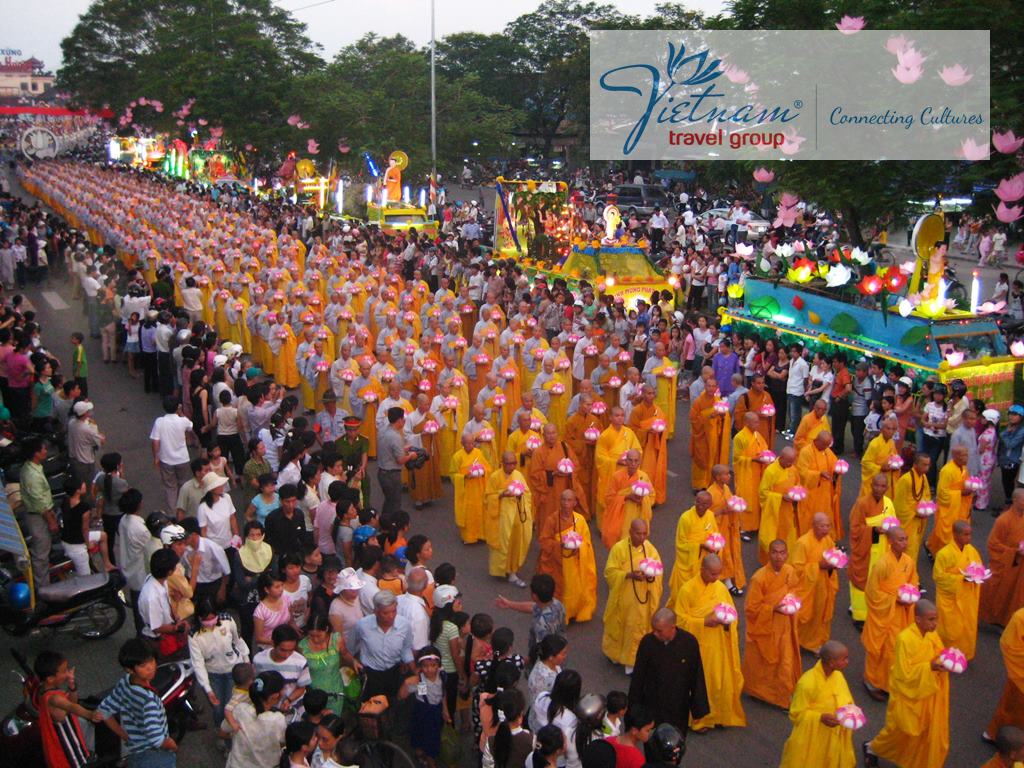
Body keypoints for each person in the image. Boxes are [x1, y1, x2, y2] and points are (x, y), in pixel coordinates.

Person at [863, 600, 949, 768]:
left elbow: (939, 654)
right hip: (908, 695)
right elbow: (903, 674)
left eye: (936, 619)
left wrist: (947, 660)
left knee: (924, 734)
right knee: (899, 732)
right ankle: (872, 748)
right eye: (931, 619)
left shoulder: (932, 635)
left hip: (928, 692)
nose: (934, 624)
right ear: (917, 619)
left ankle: (911, 762)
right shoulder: (905, 639)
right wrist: (929, 667)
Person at [672, 554, 745, 730]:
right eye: (712, 574)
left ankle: (719, 715)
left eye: (718, 574)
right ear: (702, 570)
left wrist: (728, 622)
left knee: (719, 681)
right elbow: (680, 621)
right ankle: (699, 720)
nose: (716, 578)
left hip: (717, 643)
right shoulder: (687, 590)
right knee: (699, 683)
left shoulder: (720, 588)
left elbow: (732, 612)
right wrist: (703, 622)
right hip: (696, 645)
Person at [628, 608, 709, 736]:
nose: (655, 633)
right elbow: (638, 677)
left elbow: (696, 676)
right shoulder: (648, 643)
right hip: (652, 705)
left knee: (675, 745)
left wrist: (698, 710)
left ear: (672, 626)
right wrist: (633, 709)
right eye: (653, 629)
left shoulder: (689, 643)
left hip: (678, 707)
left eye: (659, 631)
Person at [98, 639, 177, 768]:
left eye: (151, 661)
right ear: (129, 669)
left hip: (135, 753)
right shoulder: (148, 700)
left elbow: (104, 711)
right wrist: (172, 746)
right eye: (142, 666)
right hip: (155, 757)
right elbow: (156, 739)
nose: (150, 668)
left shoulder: (126, 682)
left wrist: (126, 736)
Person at [741, 539, 801, 708]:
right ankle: (758, 691)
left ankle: (781, 696)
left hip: (784, 625)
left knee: (784, 662)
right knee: (763, 662)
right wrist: (773, 608)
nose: (778, 556)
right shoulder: (759, 578)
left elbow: (795, 589)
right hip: (765, 626)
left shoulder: (789, 571)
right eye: (774, 552)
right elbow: (751, 609)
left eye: (782, 552)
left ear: (787, 554)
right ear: (768, 554)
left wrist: (790, 600)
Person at [778, 640, 856, 768]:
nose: (847, 662)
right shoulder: (807, 683)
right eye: (844, 659)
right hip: (811, 738)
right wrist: (819, 717)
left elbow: (846, 700)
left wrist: (850, 713)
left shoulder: (838, 677)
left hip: (833, 735)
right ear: (831, 662)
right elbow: (796, 714)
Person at [863, 526, 919, 699]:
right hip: (885, 613)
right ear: (890, 541)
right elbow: (872, 592)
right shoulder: (882, 564)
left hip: (902, 613)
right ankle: (872, 682)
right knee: (882, 650)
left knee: (897, 650)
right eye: (900, 539)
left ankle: (891, 683)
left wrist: (910, 596)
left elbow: (913, 582)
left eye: (906, 539)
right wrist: (894, 600)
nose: (905, 543)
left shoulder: (908, 561)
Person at [602, 519, 663, 675]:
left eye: (644, 533)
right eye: (638, 533)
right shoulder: (619, 549)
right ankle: (614, 654)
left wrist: (650, 577)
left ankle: (632, 661)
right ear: (630, 532)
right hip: (622, 598)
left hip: (641, 600)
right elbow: (609, 572)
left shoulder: (650, 550)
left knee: (636, 629)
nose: (641, 537)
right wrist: (628, 575)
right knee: (618, 626)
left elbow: (658, 573)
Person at [32, 649, 103, 768]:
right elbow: (71, 706)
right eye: (64, 671)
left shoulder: (45, 690)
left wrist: (71, 685)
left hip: (71, 746)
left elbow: (72, 702)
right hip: (69, 753)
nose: (67, 673)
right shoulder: (53, 698)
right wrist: (90, 714)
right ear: (50, 678)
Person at [536, 489, 597, 624]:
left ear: (575, 503)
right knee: (562, 589)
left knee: (576, 588)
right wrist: (560, 546)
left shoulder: (579, 520)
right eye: (563, 500)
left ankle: (574, 611)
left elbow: (587, 542)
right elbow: (544, 541)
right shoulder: (552, 520)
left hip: (576, 562)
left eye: (569, 500)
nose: (565, 503)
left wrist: (578, 547)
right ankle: (561, 615)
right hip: (559, 563)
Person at [188, 598, 249, 729]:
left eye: (212, 618)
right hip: (213, 675)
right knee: (218, 707)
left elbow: (238, 641)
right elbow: (198, 663)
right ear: (199, 618)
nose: (210, 623)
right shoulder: (194, 635)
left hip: (233, 671)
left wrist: (247, 661)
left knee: (230, 705)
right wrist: (208, 689)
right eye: (206, 619)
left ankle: (231, 730)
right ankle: (221, 730)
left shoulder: (227, 620)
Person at [343, 590, 414, 700]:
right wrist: (353, 661)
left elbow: (406, 648)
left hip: (394, 673)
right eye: (385, 613)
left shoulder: (404, 625)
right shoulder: (362, 625)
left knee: (392, 705)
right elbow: (350, 648)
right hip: (371, 675)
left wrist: (412, 667)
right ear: (375, 611)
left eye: (394, 611)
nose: (391, 616)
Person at [790, 512, 839, 654]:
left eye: (828, 526)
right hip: (809, 586)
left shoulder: (827, 540)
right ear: (813, 526)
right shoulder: (803, 543)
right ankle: (806, 642)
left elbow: (832, 554)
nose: (826, 529)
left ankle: (819, 639)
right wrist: (818, 566)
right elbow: (797, 569)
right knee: (809, 615)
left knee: (821, 613)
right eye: (822, 526)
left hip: (824, 583)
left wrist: (834, 563)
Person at [934, 519, 982, 659]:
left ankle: (963, 655)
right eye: (965, 535)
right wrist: (962, 579)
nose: (969, 538)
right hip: (950, 599)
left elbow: (978, 567)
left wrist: (977, 575)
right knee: (949, 629)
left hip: (967, 597)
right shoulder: (944, 553)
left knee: (967, 627)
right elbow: (939, 577)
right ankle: (945, 656)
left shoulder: (971, 551)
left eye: (970, 534)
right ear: (955, 534)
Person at [484, 451, 533, 585]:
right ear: (502, 463)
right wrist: (502, 494)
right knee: (502, 543)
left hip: (517, 515)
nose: (512, 466)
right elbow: (488, 497)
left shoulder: (518, 475)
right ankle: (500, 569)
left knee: (515, 543)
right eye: (509, 464)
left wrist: (520, 495)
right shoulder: (495, 477)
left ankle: (512, 571)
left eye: (514, 463)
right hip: (501, 517)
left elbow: (527, 494)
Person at [400, 645, 450, 767]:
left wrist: (445, 709)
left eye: (433, 666)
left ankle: (425, 756)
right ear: (420, 667)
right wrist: (406, 683)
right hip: (422, 711)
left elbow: (443, 693)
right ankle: (428, 760)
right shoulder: (418, 680)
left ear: (438, 665)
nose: (430, 670)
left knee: (431, 737)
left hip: (436, 711)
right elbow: (402, 695)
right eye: (425, 666)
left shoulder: (442, 676)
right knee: (423, 736)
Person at [225, 671, 287, 768]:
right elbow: (283, 741)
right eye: (283, 688)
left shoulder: (240, 709)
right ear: (274, 696)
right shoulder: (278, 719)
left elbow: (223, 732)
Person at [982, 488, 1024, 627]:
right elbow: (993, 544)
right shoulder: (1003, 520)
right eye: (1023, 500)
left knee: (1016, 595)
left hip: (1020, 565)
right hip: (1006, 563)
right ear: (1015, 500)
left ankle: (1009, 622)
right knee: (998, 591)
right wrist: (1014, 552)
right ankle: (992, 619)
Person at [20, 436, 57, 585]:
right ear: (36, 453)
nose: (45, 451)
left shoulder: (32, 467)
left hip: (41, 511)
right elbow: (40, 504)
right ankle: (43, 586)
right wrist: (51, 520)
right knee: (41, 553)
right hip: (37, 516)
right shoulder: (32, 475)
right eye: (43, 448)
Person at [667, 490, 718, 598]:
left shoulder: (710, 516)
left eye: (704, 504)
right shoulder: (686, 518)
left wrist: (714, 547)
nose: (700, 506)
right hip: (687, 563)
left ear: (710, 505)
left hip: (703, 563)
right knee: (682, 594)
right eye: (698, 502)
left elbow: (715, 535)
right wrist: (700, 546)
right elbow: (680, 543)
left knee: (699, 595)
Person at [600, 448, 654, 550]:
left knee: (636, 544)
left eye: (636, 460)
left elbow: (651, 496)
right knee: (620, 545)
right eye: (630, 460)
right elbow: (608, 498)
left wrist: (643, 499)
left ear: (640, 461)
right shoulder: (617, 476)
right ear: (626, 461)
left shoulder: (643, 477)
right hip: (621, 516)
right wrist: (627, 496)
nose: (633, 463)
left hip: (637, 516)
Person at [593, 407, 640, 522]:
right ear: (610, 418)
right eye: (617, 415)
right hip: (612, 472)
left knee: (626, 498)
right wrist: (616, 461)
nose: (620, 418)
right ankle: (605, 526)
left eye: (622, 415)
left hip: (627, 471)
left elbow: (638, 450)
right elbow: (600, 457)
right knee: (610, 497)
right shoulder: (605, 435)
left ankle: (624, 523)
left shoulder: (629, 433)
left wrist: (632, 460)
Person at [927, 444, 974, 556]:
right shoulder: (947, 471)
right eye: (963, 455)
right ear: (955, 456)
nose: (966, 458)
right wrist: (961, 493)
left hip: (961, 508)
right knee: (945, 535)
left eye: (967, 455)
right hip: (949, 509)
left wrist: (971, 489)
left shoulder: (964, 469)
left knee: (959, 533)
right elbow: (942, 494)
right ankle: (938, 554)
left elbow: (965, 484)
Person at [151, 397, 196, 512]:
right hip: (182, 458)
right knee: (183, 484)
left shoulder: (159, 422)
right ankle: (183, 509)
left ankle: (172, 512)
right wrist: (181, 413)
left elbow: (155, 441)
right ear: (178, 407)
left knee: (170, 487)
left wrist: (156, 457)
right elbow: (190, 426)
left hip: (166, 459)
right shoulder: (182, 421)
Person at [253, 625, 311, 714]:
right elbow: (257, 684)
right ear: (273, 643)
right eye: (283, 650)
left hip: (293, 709)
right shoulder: (259, 660)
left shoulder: (300, 662)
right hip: (267, 711)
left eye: (291, 650)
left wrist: (288, 700)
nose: (287, 655)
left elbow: (301, 688)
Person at [757, 447, 800, 563]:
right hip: (773, 512)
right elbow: (763, 492)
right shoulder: (771, 471)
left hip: (788, 510)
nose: (790, 464)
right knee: (771, 537)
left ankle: (786, 561)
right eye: (788, 462)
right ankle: (769, 563)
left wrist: (797, 494)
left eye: (792, 462)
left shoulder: (792, 469)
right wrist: (780, 497)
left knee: (788, 535)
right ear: (781, 458)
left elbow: (797, 484)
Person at [987, 606, 1024, 743]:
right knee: (1012, 710)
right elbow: (1009, 645)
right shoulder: (1021, 617)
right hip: (1020, 678)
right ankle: (998, 737)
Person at [795, 430, 841, 537]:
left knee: (826, 515)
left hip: (824, 492)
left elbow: (834, 463)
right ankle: (808, 539)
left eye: (828, 445)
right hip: (810, 492)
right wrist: (819, 474)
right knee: (809, 517)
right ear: (817, 441)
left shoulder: (827, 451)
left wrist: (837, 470)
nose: (826, 447)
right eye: (824, 444)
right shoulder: (806, 452)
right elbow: (802, 472)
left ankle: (826, 539)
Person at [689, 377, 730, 490]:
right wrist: (708, 417)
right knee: (701, 459)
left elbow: (724, 418)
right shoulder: (699, 401)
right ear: (705, 387)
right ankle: (699, 485)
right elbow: (693, 419)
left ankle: (711, 482)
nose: (711, 388)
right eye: (708, 386)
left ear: (717, 387)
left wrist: (722, 417)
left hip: (714, 436)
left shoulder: (718, 401)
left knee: (713, 458)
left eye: (713, 386)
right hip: (701, 436)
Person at [733, 411, 768, 539]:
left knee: (756, 498)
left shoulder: (757, 435)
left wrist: (765, 456)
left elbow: (764, 448)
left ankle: (755, 526)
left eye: (758, 421)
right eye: (755, 422)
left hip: (758, 472)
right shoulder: (740, 437)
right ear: (747, 423)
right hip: (745, 473)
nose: (758, 424)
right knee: (746, 498)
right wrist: (753, 459)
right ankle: (743, 528)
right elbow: (737, 458)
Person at [893, 452, 932, 566]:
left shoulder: (923, 478)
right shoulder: (906, 480)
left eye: (928, 465)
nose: (926, 468)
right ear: (915, 464)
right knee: (907, 547)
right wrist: (915, 512)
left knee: (914, 548)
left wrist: (925, 508)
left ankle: (910, 575)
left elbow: (926, 495)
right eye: (924, 464)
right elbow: (899, 504)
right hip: (908, 519)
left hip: (918, 520)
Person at [452, 432, 492, 543]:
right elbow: (452, 474)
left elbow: (488, 468)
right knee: (468, 514)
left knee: (480, 511)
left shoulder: (478, 453)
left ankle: (481, 535)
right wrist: (464, 477)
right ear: (462, 443)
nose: (470, 446)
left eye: (472, 443)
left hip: (479, 488)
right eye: (467, 443)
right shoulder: (457, 457)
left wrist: (483, 472)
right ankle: (468, 537)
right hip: (466, 491)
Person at [378, 406, 416, 516]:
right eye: (403, 419)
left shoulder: (382, 430)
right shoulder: (395, 436)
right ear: (399, 420)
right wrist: (411, 456)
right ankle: (392, 527)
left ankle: (384, 524)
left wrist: (403, 448)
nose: (404, 421)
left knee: (388, 502)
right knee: (394, 504)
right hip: (391, 475)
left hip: (382, 472)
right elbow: (400, 460)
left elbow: (388, 449)